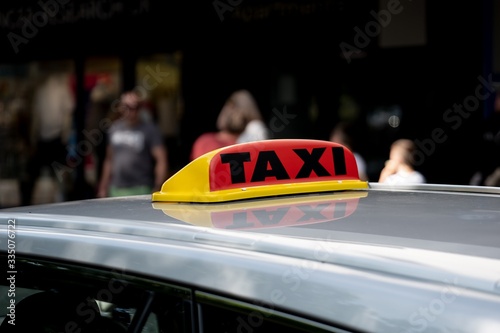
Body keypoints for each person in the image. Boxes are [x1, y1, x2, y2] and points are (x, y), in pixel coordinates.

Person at [97, 90, 168, 197]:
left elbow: (161, 159)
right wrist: (103, 186)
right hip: (117, 188)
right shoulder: (114, 128)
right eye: (127, 107)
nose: (131, 112)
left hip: (141, 188)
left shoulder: (149, 130)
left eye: (135, 107)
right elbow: (109, 159)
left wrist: (158, 186)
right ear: (121, 108)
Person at [190, 89, 267, 160]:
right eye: (229, 106)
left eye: (235, 107)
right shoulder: (206, 141)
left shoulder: (247, 142)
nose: (228, 111)